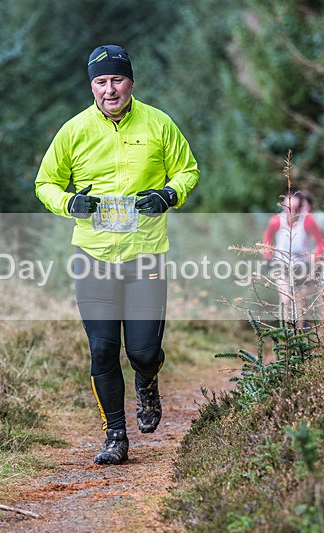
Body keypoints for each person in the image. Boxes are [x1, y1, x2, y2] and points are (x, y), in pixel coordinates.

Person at [34, 44, 199, 465]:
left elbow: (188, 169)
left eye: (117, 80)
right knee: (103, 349)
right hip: (93, 255)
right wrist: (70, 203)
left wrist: (168, 194)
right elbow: (46, 183)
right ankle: (115, 436)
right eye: (101, 82)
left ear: (131, 82)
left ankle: (148, 380)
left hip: (145, 254)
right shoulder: (73, 131)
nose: (110, 89)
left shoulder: (158, 123)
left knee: (142, 351)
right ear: (92, 85)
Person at [262, 189, 324, 328]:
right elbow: (267, 237)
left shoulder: (308, 221)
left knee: (299, 301)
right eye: (288, 208)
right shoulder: (277, 221)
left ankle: (298, 336)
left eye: (295, 208)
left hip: (301, 266)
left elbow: (321, 242)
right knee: (285, 299)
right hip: (282, 264)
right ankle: (286, 336)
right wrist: (268, 256)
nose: (291, 212)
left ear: (301, 207)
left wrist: (314, 258)